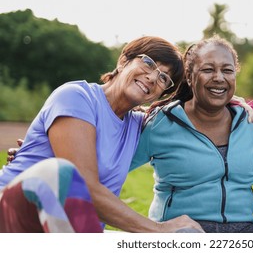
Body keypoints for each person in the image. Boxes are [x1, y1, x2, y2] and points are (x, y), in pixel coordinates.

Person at [0, 36, 203, 233]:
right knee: (61, 173)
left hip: (70, 229)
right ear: (123, 62)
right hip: (15, 216)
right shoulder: (76, 96)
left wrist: (231, 103)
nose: (152, 78)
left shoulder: (141, 125)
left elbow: (203, 108)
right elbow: (85, 187)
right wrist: (158, 229)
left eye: (163, 78)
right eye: (148, 63)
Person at [129, 36, 253, 233]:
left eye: (227, 70)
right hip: (187, 231)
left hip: (243, 231)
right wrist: (153, 227)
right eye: (208, 69)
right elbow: (111, 171)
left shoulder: (249, 122)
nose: (219, 77)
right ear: (189, 76)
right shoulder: (161, 123)